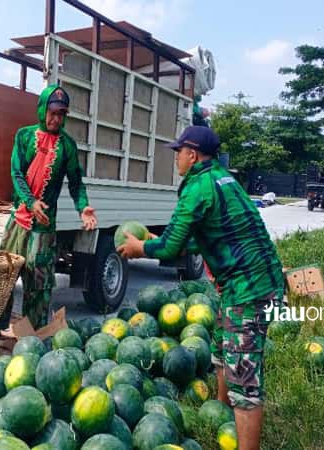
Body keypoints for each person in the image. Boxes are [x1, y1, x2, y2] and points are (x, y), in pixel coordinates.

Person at [117, 126, 284, 450]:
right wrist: (157, 240)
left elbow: (169, 251)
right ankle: (219, 416)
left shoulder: (197, 187)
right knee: (223, 349)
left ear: (192, 155)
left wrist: (143, 248)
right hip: (252, 283)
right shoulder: (223, 179)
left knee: (244, 381)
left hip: (249, 290)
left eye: (178, 152)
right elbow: (203, 236)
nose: (176, 158)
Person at [0, 85, 97, 329]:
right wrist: (30, 201)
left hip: (44, 227)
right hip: (18, 221)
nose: (56, 118)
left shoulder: (68, 146)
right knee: (3, 275)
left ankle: (33, 334)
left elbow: (76, 184)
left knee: (38, 283)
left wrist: (83, 207)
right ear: (42, 110)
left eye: (61, 114)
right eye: (52, 112)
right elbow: (16, 174)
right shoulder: (24, 136)